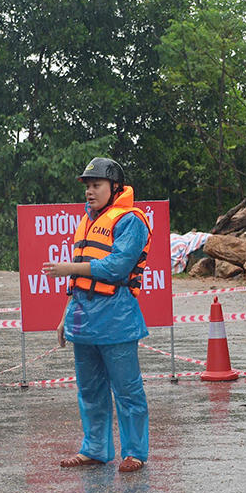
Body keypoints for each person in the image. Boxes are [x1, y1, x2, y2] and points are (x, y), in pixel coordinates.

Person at [43, 157, 152, 473]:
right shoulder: (86, 220)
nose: (90, 192)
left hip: (116, 317)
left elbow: (117, 266)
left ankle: (135, 452)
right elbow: (80, 280)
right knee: (89, 389)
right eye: (87, 186)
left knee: (128, 390)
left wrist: (70, 268)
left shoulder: (130, 220)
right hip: (83, 318)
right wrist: (66, 316)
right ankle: (95, 449)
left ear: (114, 187)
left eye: (96, 185)